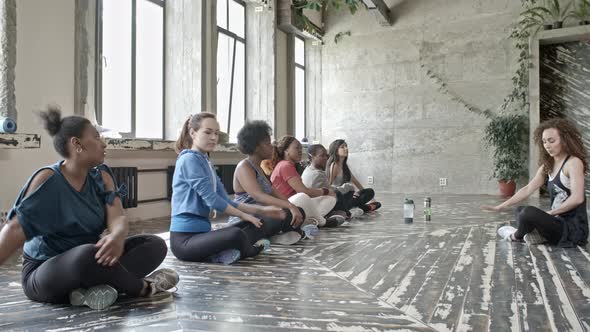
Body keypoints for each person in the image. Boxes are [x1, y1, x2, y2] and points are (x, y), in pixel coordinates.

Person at [0, 106, 178, 310]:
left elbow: (117, 217)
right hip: (45, 273)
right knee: (85, 256)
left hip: (93, 261)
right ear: (76, 144)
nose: (103, 143)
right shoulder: (48, 179)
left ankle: (88, 293)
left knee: (154, 245)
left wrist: (118, 236)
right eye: (96, 137)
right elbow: (14, 230)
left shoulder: (102, 175)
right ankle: (142, 287)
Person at [170, 113, 286, 265]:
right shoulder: (189, 159)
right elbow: (212, 200)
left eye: (216, 133)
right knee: (235, 233)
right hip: (184, 241)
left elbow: (225, 200)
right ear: (193, 133)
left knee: (253, 224)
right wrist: (243, 215)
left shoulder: (206, 162)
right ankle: (247, 251)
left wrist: (261, 211)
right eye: (207, 132)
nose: (213, 137)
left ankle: (224, 252)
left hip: (202, 234)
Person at [482, 118, 588, 247]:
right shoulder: (548, 165)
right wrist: (500, 206)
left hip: (572, 230)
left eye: (551, 141)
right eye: (544, 142)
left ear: (564, 140)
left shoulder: (573, 163)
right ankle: (536, 236)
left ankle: (516, 236)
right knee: (520, 210)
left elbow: (577, 198)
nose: (547, 145)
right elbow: (527, 189)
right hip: (556, 223)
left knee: (528, 213)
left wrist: (550, 213)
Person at [230, 121, 318, 244]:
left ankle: (280, 235)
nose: (272, 146)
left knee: (298, 211)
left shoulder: (259, 168)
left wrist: (293, 207)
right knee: (283, 214)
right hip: (246, 219)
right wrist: (289, 206)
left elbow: (273, 192)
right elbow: (259, 196)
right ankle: (278, 235)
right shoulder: (244, 166)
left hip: (263, 214)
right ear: (256, 147)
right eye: (267, 143)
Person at [270, 136, 344, 227]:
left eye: (301, 148)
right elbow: (303, 191)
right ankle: (323, 222)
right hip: (285, 206)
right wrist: (325, 191)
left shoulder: (289, 165)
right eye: (297, 148)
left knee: (330, 199)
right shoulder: (285, 165)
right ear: (286, 151)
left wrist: (326, 192)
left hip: (294, 205)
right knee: (303, 196)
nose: (301, 151)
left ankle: (310, 221)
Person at [302, 144, 364, 218]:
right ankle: (348, 213)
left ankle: (353, 208)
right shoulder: (317, 173)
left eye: (326, 155)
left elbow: (354, 181)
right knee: (338, 193)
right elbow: (329, 190)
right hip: (318, 204)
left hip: (329, 197)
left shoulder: (313, 169)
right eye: (322, 156)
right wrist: (345, 188)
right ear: (311, 157)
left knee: (363, 193)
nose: (325, 158)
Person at [326, 139, 381, 212]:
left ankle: (357, 208)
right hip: (339, 198)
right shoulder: (334, 165)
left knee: (370, 192)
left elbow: (355, 181)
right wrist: (347, 189)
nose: (346, 148)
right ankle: (363, 208)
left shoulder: (344, 166)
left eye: (346, 146)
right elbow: (329, 186)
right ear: (336, 151)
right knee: (373, 202)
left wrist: (371, 198)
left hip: (347, 196)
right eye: (342, 147)